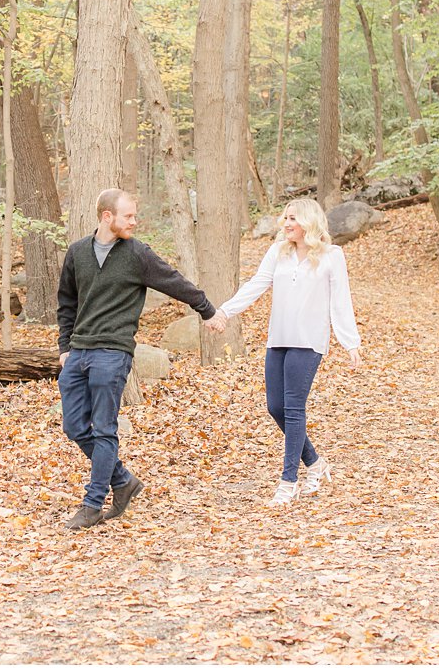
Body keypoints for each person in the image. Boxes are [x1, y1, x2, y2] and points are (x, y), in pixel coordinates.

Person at [56, 188, 226, 530]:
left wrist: (207, 310)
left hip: (113, 352)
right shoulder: (77, 253)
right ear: (107, 217)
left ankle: (92, 505)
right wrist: (64, 347)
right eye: (128, 216)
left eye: (134, 215)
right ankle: (123, 480)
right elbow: (67, 303)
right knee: (74, 426)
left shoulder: (137, 255)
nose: (134, 221)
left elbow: (174, 282)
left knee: (104, 429)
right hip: (78, 353)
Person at [215, 198, 361, 506]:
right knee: (275, 407)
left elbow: (341, 300)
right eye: (285, 217)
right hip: (278, 338)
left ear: (308, 221)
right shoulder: (277, 252)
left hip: (308, 341)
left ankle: (288, 481)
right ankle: (317, 464)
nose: (286, 223)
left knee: (294, 408)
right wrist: (226, 312)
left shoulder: (332, 256)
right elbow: (256, 285)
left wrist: (350, 342)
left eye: (292, 218)